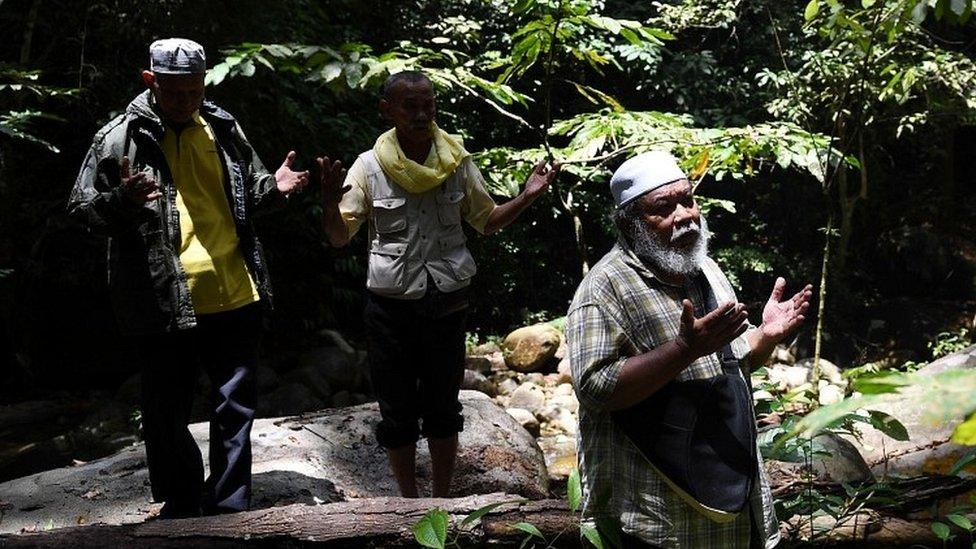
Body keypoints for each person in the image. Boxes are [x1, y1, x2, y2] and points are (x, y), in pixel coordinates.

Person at [67, 38, 310, 518]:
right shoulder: (118, 139)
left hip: (235, 289)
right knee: (163, 414)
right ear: (150, 81)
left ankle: (228, 507)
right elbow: (80, 211)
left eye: (194, 91)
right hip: (162, 298)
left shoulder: (221, 126)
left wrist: (275, 187)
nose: (186, 101)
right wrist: (123, 201)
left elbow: (249, 191)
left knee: (235, 408)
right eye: (175, 92)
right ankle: (181, 505)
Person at [318, 70, 560, 497]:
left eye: (427, 104)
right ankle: (408, 504)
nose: (421, 113)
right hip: (390, 305)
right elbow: (340, 236)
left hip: (447, 301)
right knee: (396, 410)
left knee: (444, 407)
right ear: (387, 110)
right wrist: (327, 203)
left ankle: (444, 501)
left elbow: (485, 221)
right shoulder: (369, 167)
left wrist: (527, 196)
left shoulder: (456, 161)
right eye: (409, 106)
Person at [566, 151, 812, 548]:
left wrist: (766, 335)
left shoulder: (704, 267)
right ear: (629, 224)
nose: (685, 215)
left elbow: (731, 359)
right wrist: (683, 349)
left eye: (688, 200)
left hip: (732, 500)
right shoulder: (603, 289)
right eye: (664, 208)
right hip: (659, 519)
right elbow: (595, 389)